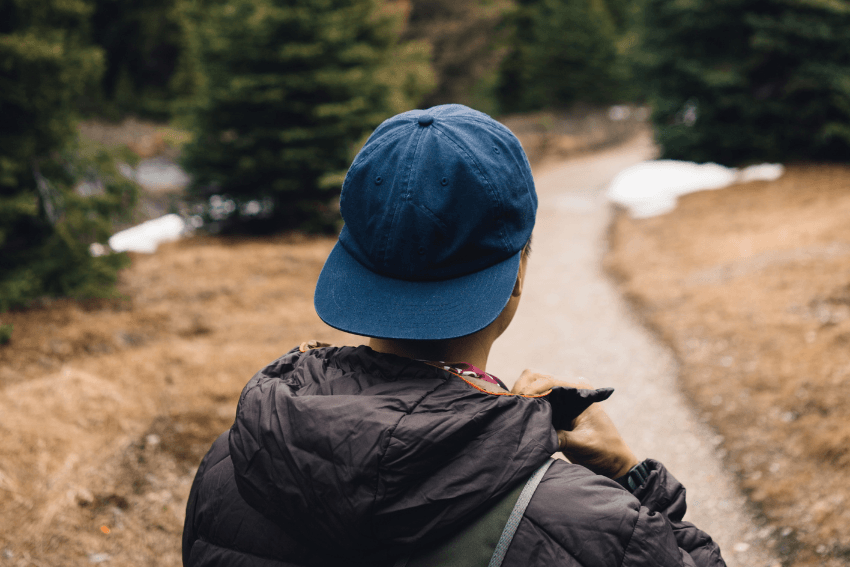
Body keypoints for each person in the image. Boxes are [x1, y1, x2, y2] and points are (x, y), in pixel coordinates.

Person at [182, 104, 726, 567]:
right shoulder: (585, 522)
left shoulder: (234, 462)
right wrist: (632, 478)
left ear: (354, 268)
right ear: (516, 276)